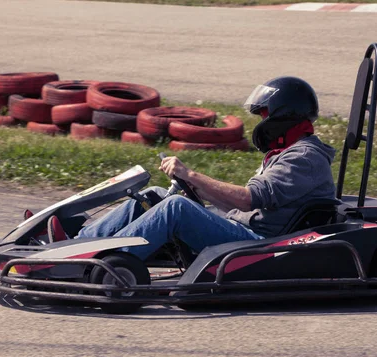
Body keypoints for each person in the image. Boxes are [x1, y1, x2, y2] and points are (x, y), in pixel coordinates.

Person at [75, 76, 337, 261]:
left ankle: (111, 263)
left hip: (260, 243)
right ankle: (80, 244)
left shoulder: (304, 157)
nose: (262, 122)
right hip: (241, 227)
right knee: (155, 195)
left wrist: (191, 175)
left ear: (285, 116)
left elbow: (247, 200)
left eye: (264, 116)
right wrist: (193, 187)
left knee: (175, 208)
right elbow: (242, 202)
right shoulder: (287, 152)